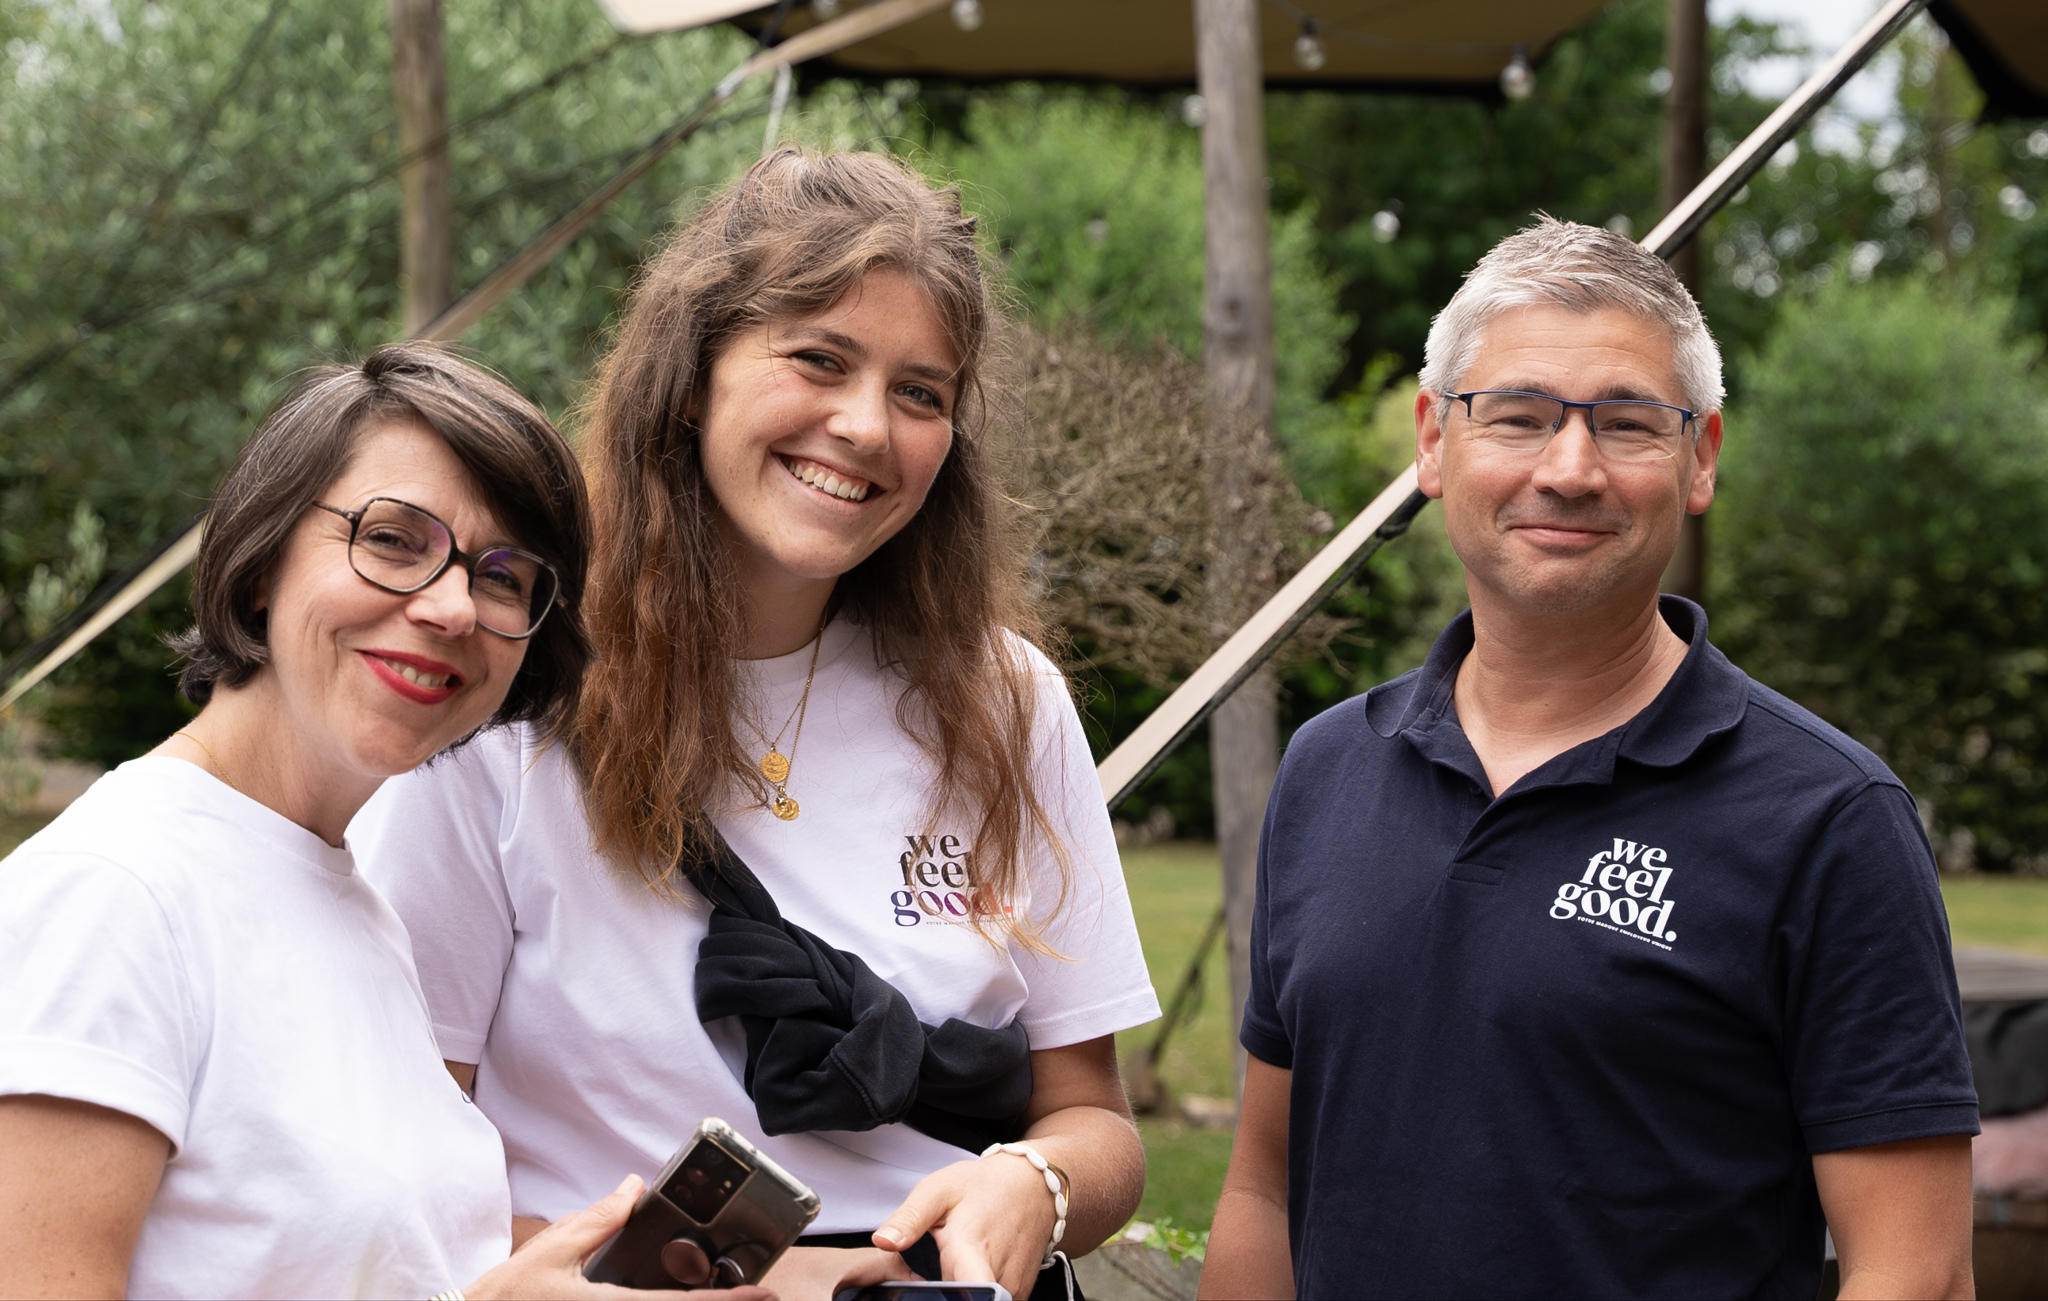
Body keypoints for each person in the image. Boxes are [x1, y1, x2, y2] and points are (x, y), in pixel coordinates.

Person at [351, 148, 1161, 1301]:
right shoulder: (504, 699)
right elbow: (403, 1159)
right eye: (817, 359)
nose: (867, 427)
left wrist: (1036, 1177)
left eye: (920, 391)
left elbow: (1092, 1116)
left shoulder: (1005, 699)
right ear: (691, 378)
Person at [1200, 218, 1979, 1300]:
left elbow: (1916, 1272)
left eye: (1624, 423)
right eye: (1515, 416)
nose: (1568, 470)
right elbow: (1262, 1189)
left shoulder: (1827, 816)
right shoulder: (1329, 768)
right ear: (1432, 440)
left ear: (1697, 457)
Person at [0, 344, 773, 1299]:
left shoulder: (348, 895)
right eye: (395, 538)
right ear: (258, 563)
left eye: (503, 575)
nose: (452, 607)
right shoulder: (112, 892)